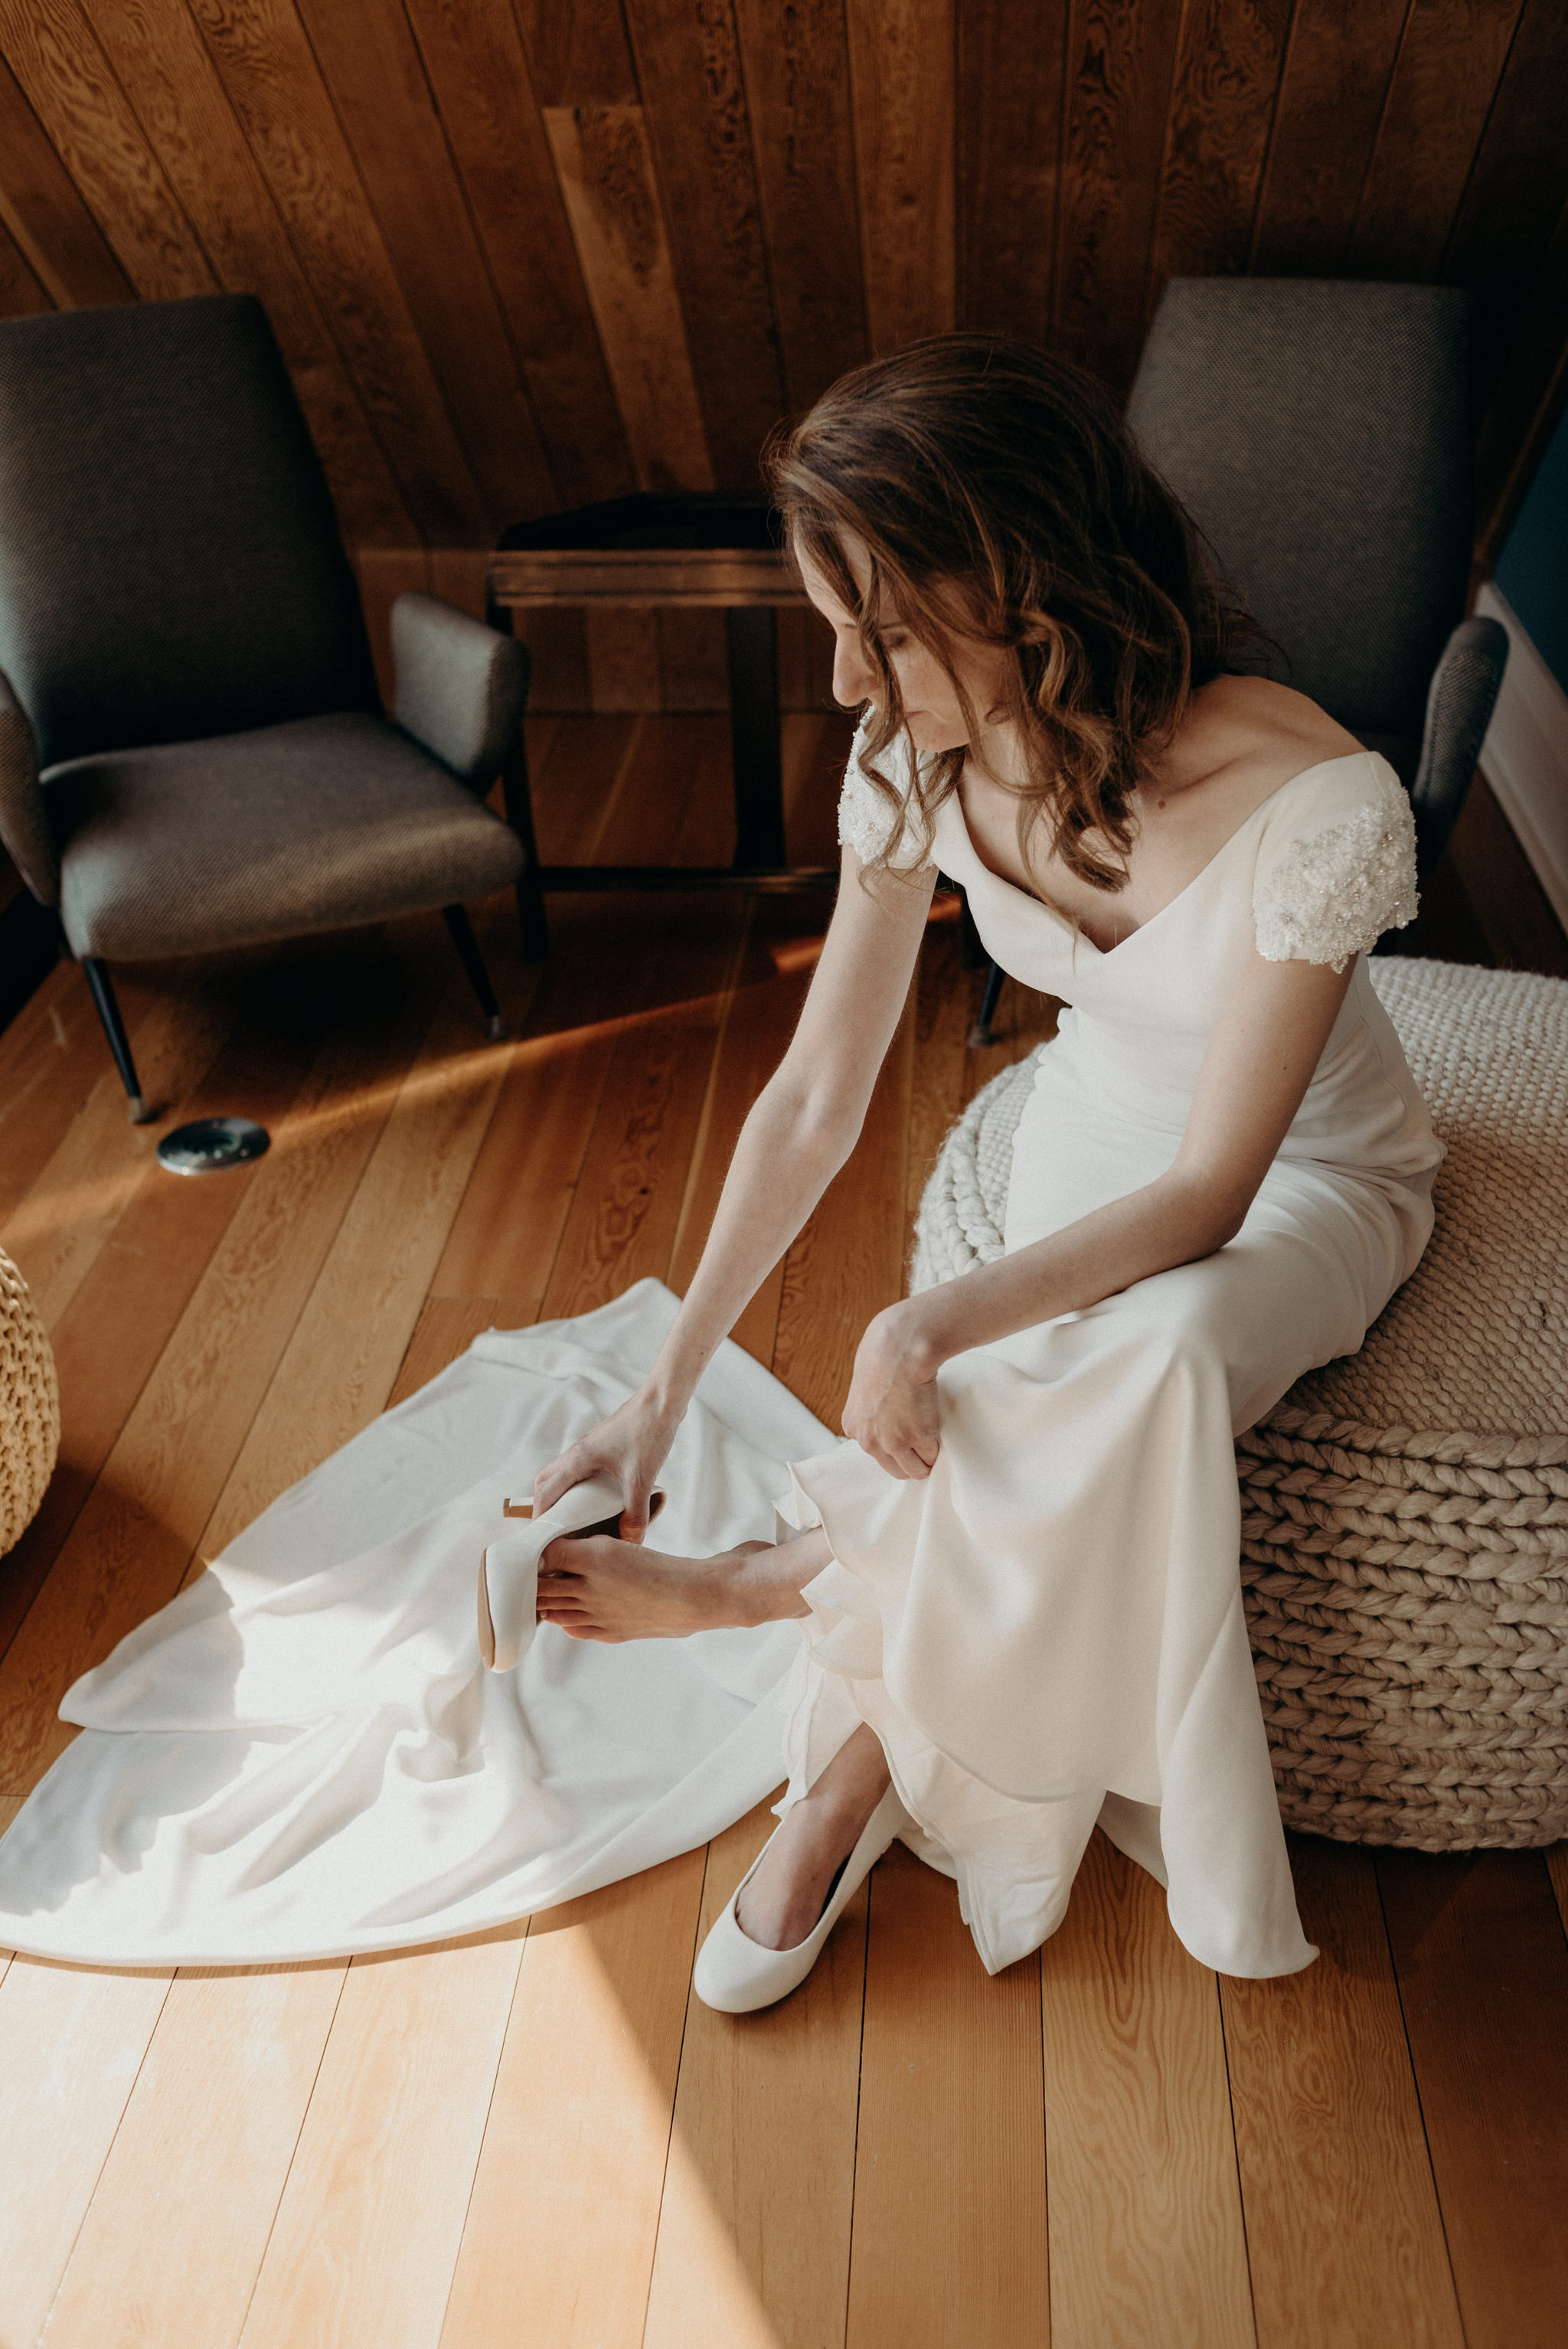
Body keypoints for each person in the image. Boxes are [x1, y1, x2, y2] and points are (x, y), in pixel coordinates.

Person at [520, 335, 1441, 2009]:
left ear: (1015, 582)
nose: (846, 687)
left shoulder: (1314, 799)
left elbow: (1218, 1194)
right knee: (1047, 1387)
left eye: (874, 633)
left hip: (1307, 1171)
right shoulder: (911, 767)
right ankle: (851, 1710)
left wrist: (929, 1317)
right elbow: (814, 1095)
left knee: (1141, 1357)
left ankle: (809, 1700)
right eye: (832, 635)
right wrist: (663, 1393)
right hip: (1096, 1124)